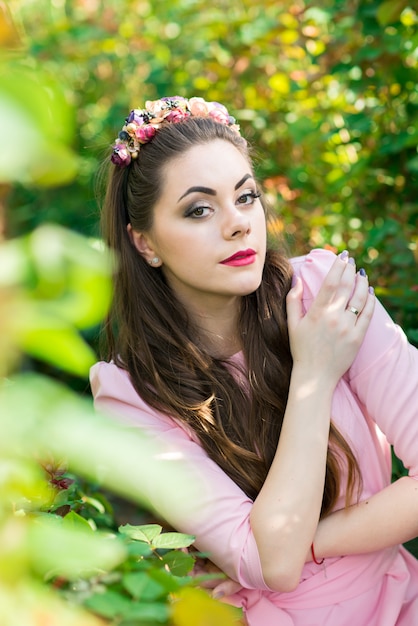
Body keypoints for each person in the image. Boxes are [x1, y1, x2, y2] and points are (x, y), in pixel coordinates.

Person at [90, 96, 418, 625]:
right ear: (145, 243)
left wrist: (316, 540)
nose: (239, 224)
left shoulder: (324, 295)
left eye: (246, 197)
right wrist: (313, 374)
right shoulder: (132, 395)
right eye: (200, 209)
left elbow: (284, 551)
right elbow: (273, 565)